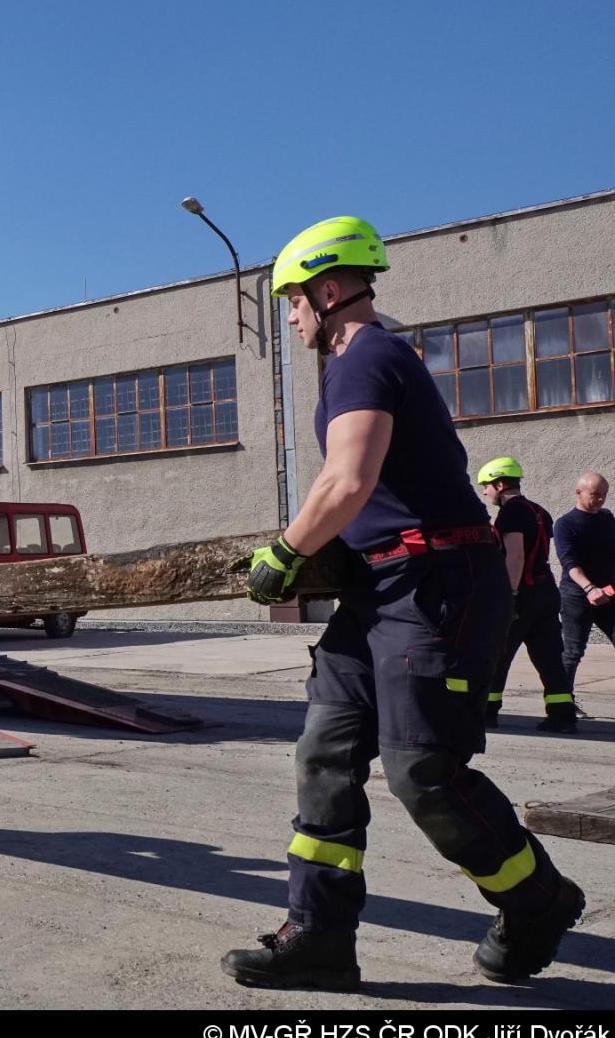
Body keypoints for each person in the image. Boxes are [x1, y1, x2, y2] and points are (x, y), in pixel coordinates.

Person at [221, 217, 583, 990]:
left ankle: (537, 901)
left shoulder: (368, 354)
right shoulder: (361, 362)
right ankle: (317, 934)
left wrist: (283, 555)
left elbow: (346, 482)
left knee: (423, 770)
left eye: (292, 302)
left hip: (435, 587)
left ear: (327, 289)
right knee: (324, 753)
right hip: (379, 589)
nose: (290, 318)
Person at [475, 457, 577, 733]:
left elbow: (515, 556)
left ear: (499, 483)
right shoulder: (539, 511)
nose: (485, 492)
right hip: (546, 593)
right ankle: (562, 715)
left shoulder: (511, 513)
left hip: (523, 594)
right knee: (550, 658)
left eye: (486, 486)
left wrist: (509, 595)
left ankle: (486, 712)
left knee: (497, 653)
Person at [554, 471, 615, 693]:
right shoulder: (565, 524)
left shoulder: (607, 518)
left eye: (605, 494)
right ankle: (562, 704)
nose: (601, 499)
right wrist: (590, 588)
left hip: (608, 594)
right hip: (577, 596)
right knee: (572, 652)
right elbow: (569, 563)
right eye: (596, 494)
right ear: (578, 493)